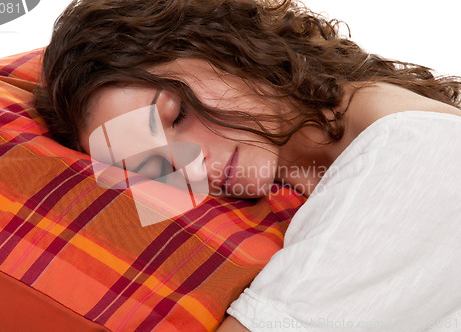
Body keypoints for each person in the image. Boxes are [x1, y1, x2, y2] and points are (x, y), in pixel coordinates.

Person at [34, 0, 461, 330]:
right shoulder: (311, 180)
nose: (192, 166)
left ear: (225, 45)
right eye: (154, 167)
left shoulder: (409, 150)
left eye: (177, 113)